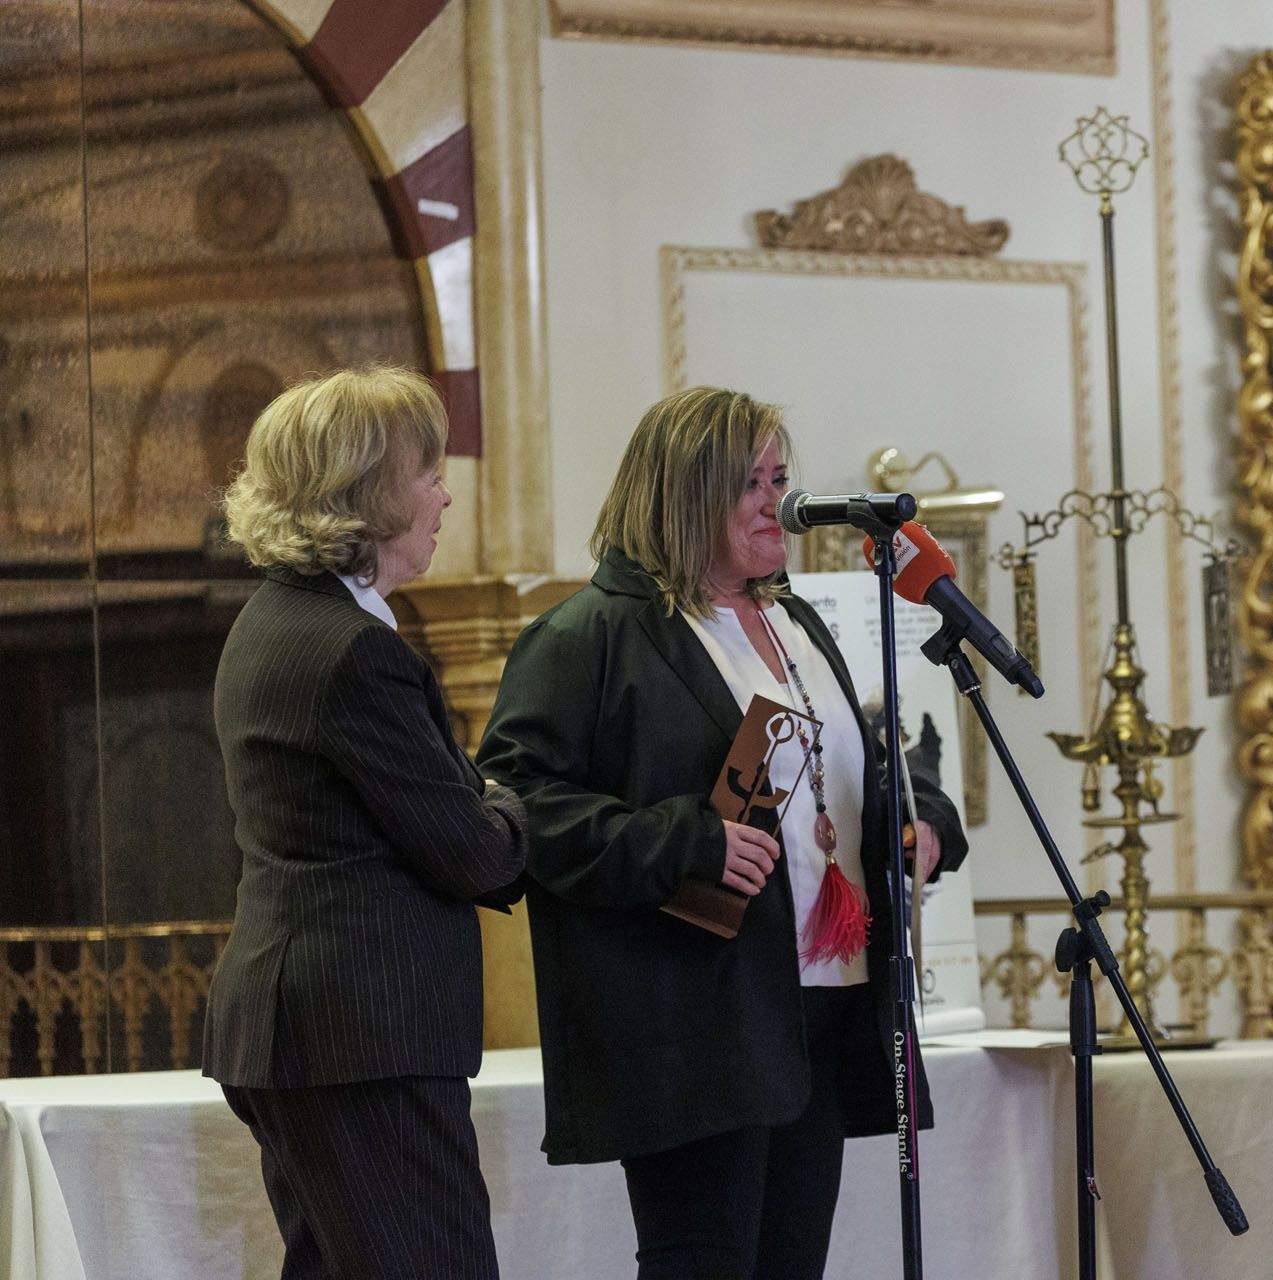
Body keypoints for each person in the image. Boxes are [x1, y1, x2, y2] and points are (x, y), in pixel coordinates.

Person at [476, 386, 968, 1280]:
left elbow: (863, 760)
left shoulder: (795, 619)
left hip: (819, 1006)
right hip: (693, 1018)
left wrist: (921, 821)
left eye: (781, 478)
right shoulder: (591, 635)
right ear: (683, 493)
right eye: (750, 483)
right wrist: (688, 845)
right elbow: (515, 807)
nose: (777, 502)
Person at [203, 366, 529, 1279]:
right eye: (426, 470)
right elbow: (473, 853)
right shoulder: (353, 651)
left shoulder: (271, 623)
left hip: (307, 1025)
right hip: (362, 1035)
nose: (443, 492)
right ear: (369, 489)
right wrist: (517, 802)